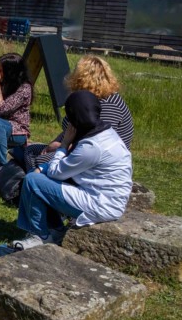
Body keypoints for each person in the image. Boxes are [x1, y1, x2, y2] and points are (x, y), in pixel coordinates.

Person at [11, 90, 132, 250]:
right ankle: (56, 229)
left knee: (33, 181)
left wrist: (64, 143)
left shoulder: (92, 147)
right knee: (43, 179)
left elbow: (56, 172)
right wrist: (42, 167)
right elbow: (63, 167)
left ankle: (41, 236)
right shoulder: (105, 133)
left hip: (101, 203)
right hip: (107, 196)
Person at [24, 55, 133, 171]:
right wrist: (55, 142)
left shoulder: (109, 105)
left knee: (40, 160)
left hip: (98, 160)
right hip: (77, 147)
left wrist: (61, 147)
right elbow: (72, 127)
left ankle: (32, 181)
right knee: (31, 150)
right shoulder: (87, 100)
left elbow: (96, 143)